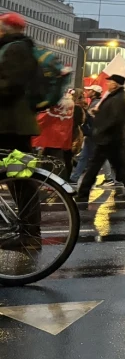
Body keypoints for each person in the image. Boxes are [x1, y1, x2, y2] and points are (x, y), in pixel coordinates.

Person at [0, 12, 42, 249]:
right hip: (11, 125)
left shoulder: (16, 49)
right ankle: (28, 232)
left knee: (22, 179)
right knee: (17, 179)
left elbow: (11, 85)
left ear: (7, 28)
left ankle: (31, 234)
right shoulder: (11, 48)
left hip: (13, 126)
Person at [75, 75, 125, 202]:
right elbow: (110, 115)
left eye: (110, 82)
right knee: (119, 166)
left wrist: (100, 130)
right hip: (110, 138)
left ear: (115, 84)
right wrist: (98, 113)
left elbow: (115, 119)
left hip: (109, 138)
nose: (108, 84)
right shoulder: (114, 96)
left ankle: (83, 194)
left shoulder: (119, 98)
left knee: (94, 166)